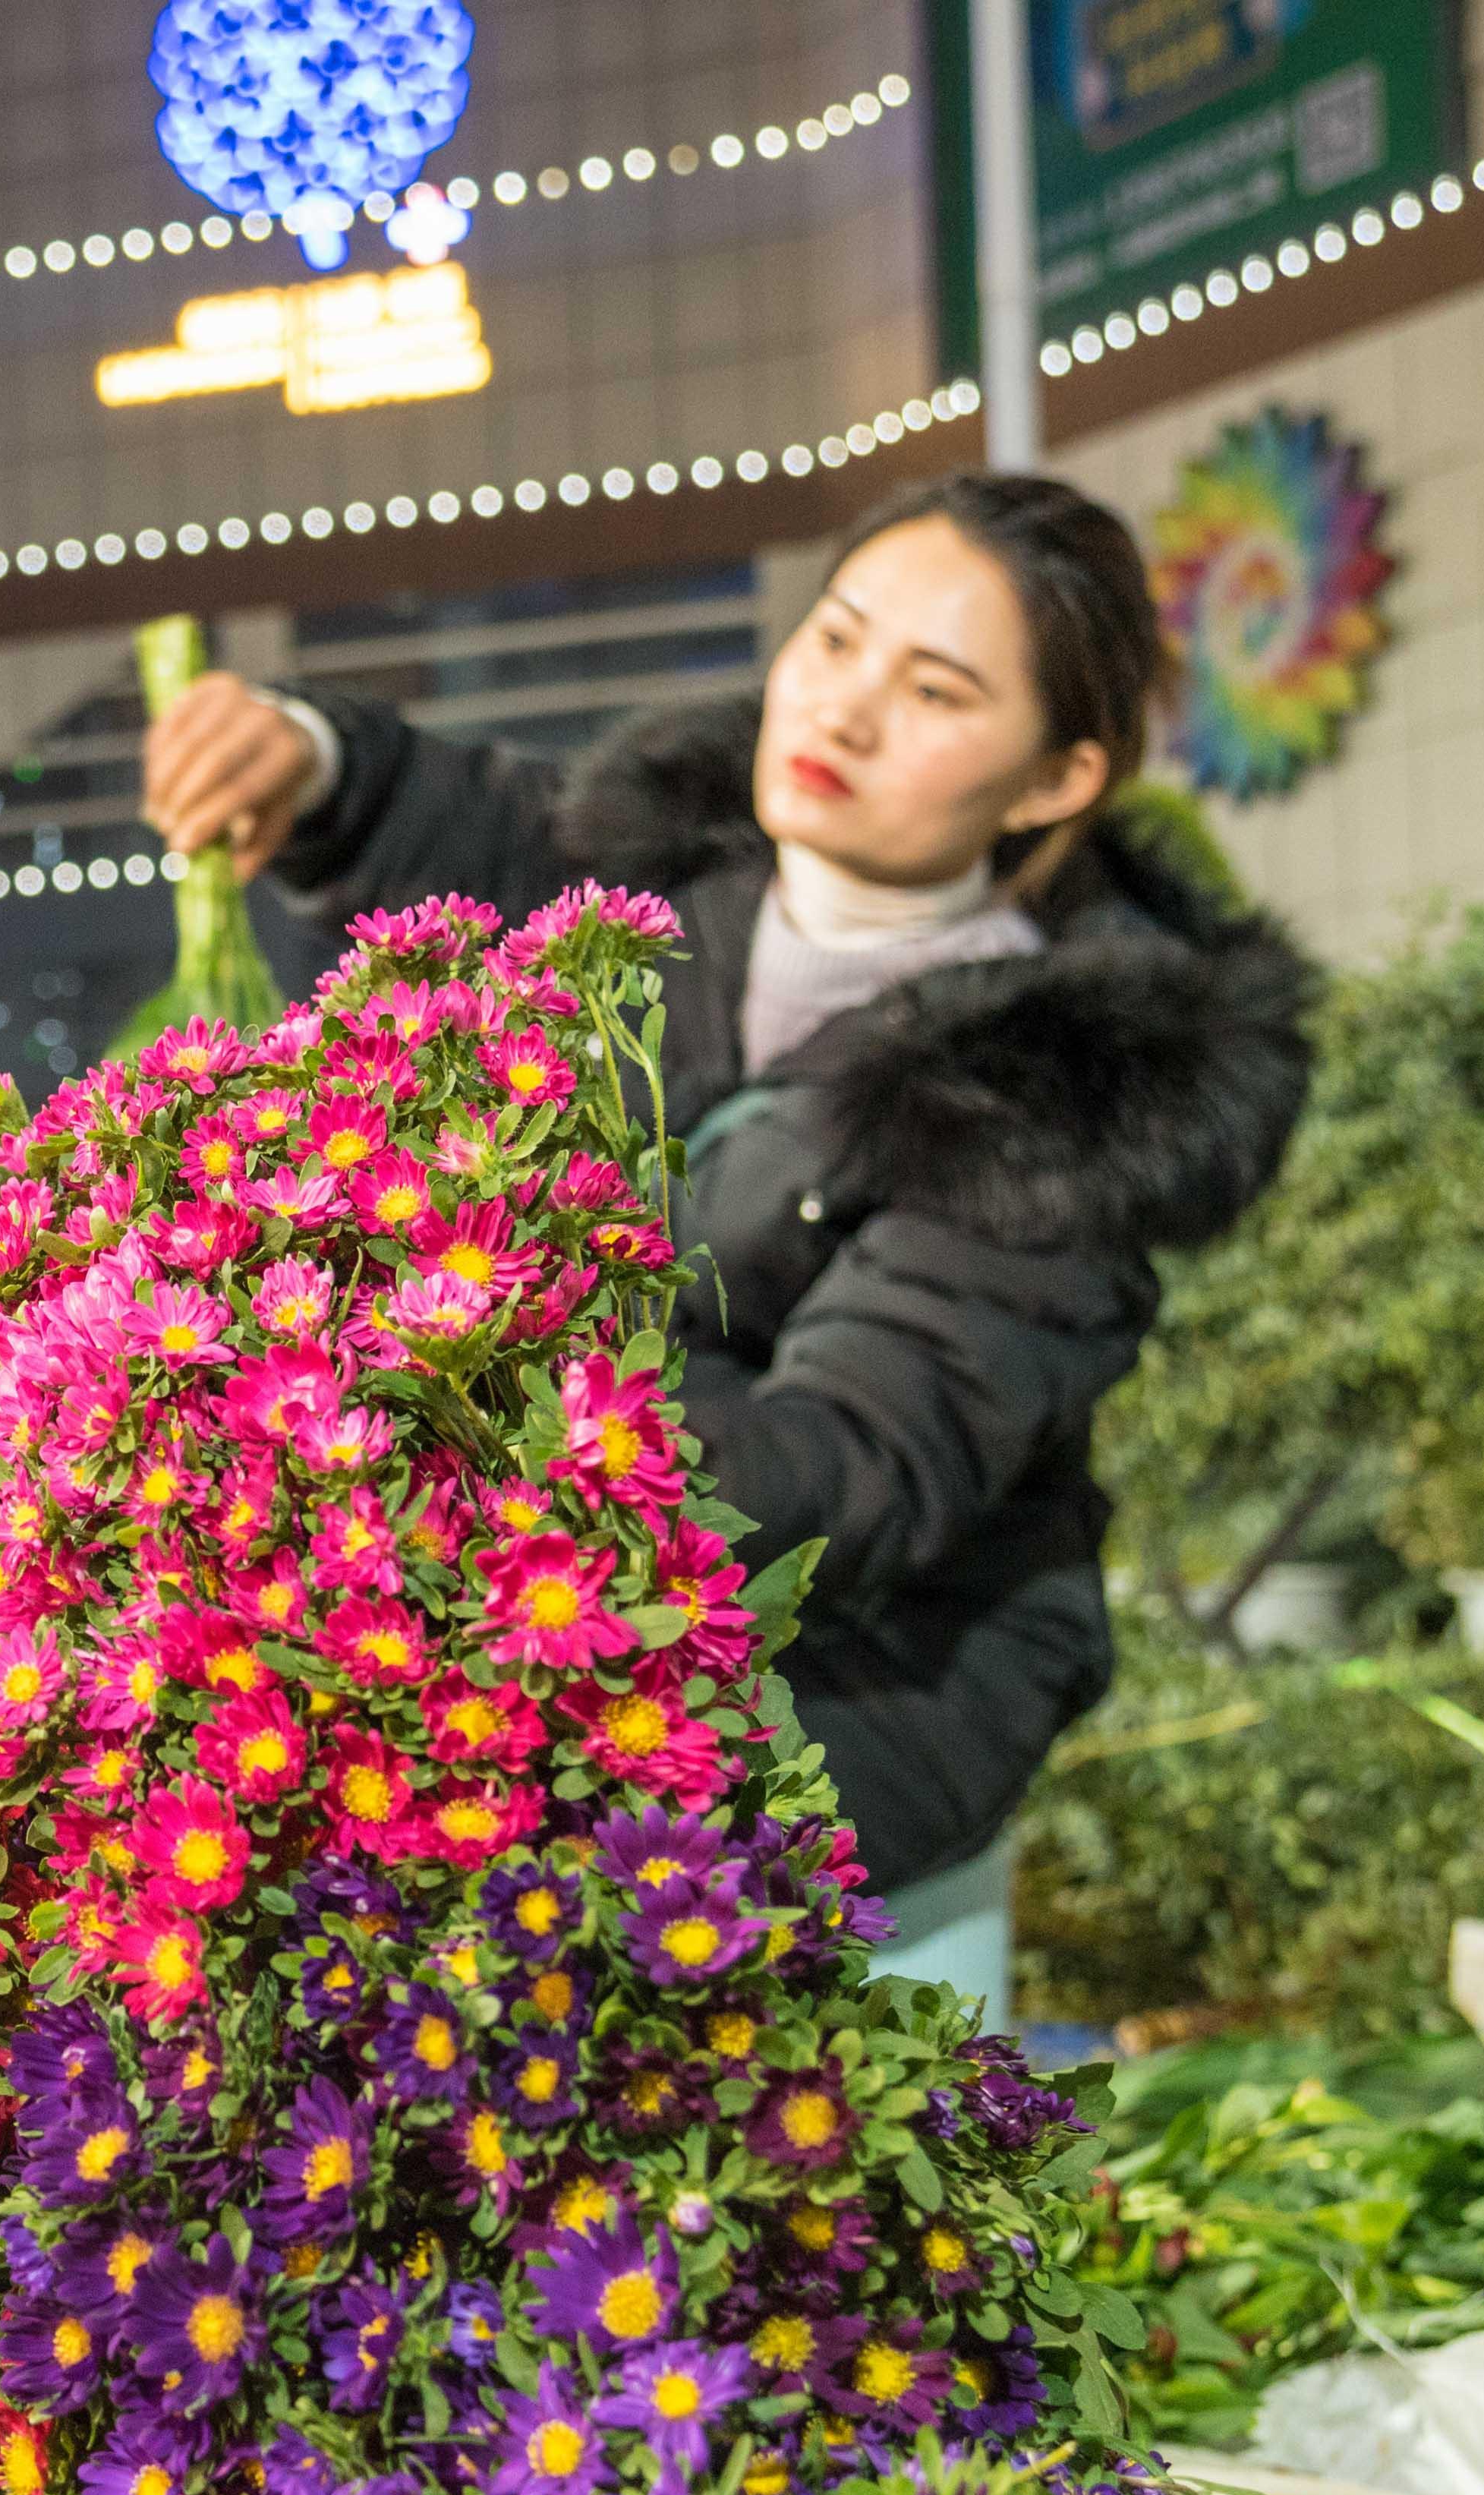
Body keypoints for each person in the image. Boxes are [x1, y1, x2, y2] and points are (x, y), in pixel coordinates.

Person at [143, 470, 1315, 2007]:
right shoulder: (660, 883)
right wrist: (303, 756)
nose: (846, 709)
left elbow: (842, 1470)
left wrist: (440, 1381)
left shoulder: (1056, 1098)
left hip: (843, 1738)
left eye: (936, 690)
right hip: (549, 1662)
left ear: (1050, 780)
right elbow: (472, 834)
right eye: (833, 641)